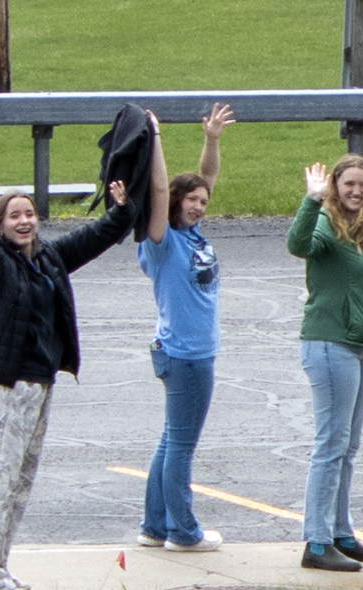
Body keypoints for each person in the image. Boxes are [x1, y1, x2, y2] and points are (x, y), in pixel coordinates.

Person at [0, 181, 135, 590]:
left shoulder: (49, 258)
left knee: (18, 484)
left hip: (40, 383)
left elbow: (92, 239)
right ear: (0, 225)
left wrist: (122, 210)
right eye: (14, 216)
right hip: (9, 385)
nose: (24, 221)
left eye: (30, 214)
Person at [137, 103, 235, 552]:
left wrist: (211, 140)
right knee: (181, 446)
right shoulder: (163, 241)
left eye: (203, 201)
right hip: (186, 355)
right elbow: (158, 189)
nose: (198, 205)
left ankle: (154, 527)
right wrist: (154, 136)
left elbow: (207, 175)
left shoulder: (193, 234)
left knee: (170, 439)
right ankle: (183, 531)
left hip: (185, 350)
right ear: (174, 201)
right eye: (190, 199)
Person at [287, 155, 363, 572]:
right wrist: (310, 202)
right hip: (329, 343)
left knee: (348, 447)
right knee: (331, 444)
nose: (356, 191)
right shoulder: (325, 225)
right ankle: (316, 542)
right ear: (335, 186)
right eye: (348, 183)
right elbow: (298, 245)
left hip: (362, 348)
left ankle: (341, 533)